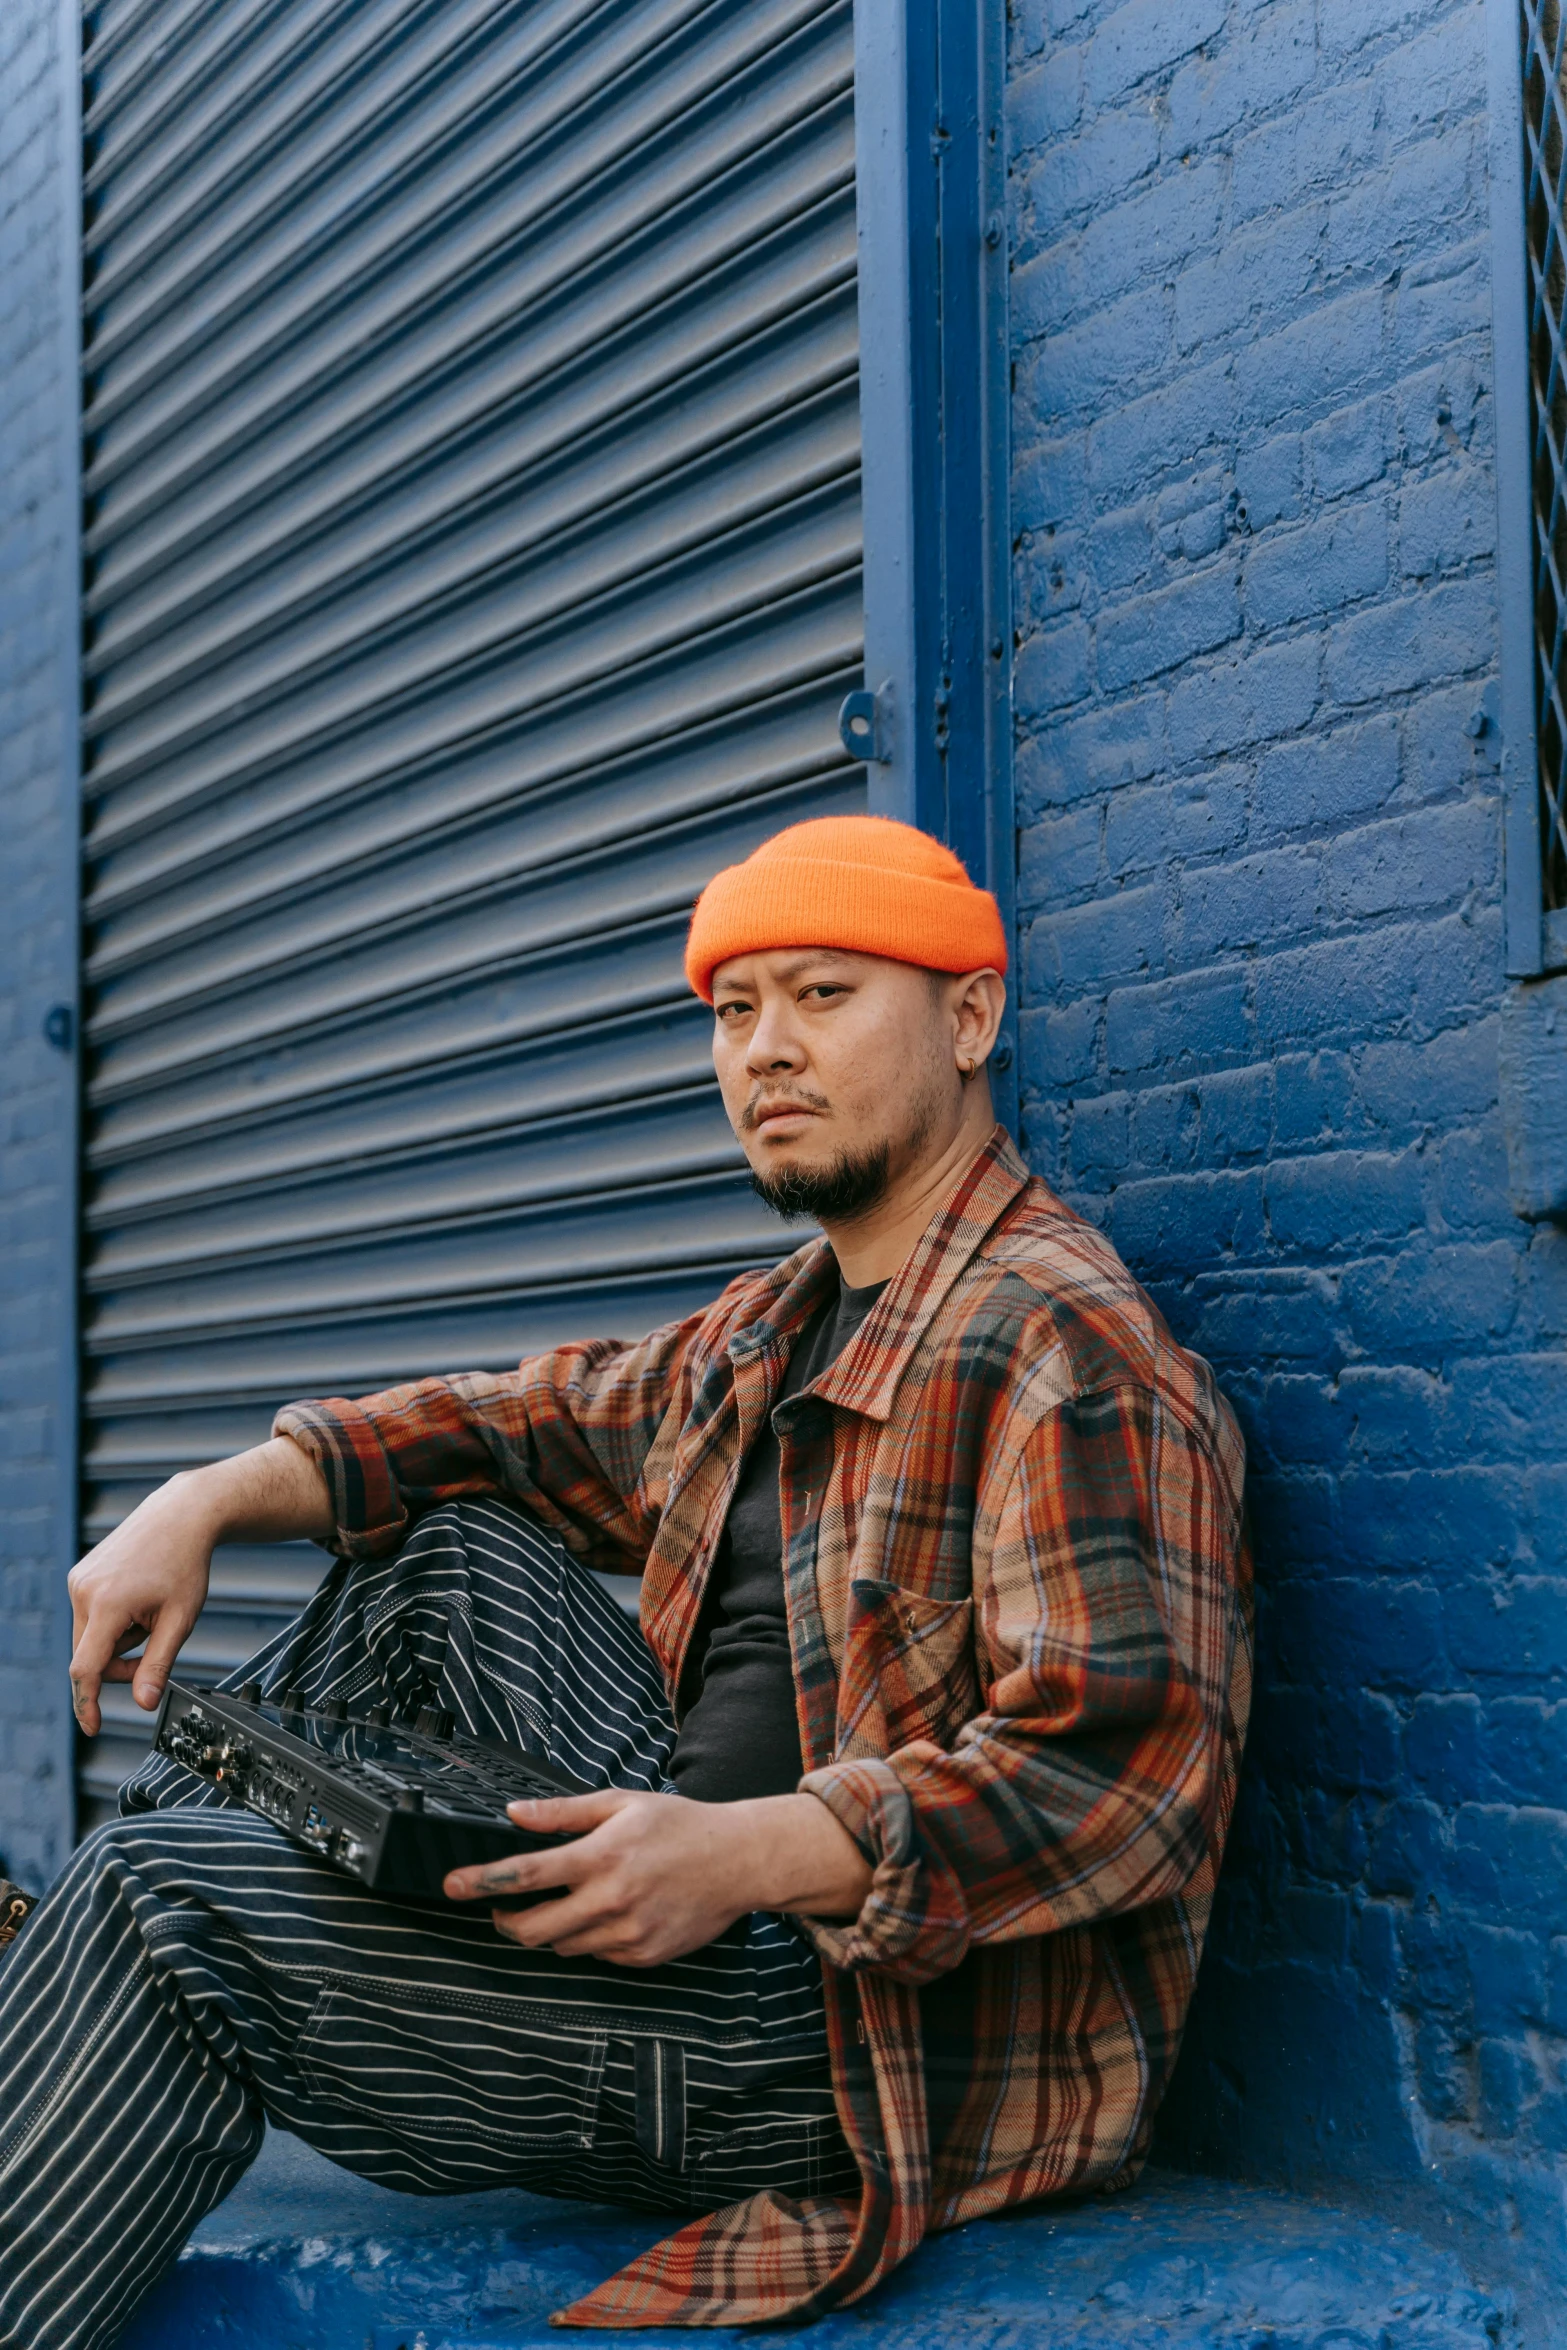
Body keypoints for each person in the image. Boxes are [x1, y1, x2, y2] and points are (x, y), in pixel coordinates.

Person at [0, 816, 1251, 2348]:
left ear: (969, 1017)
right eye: (734, 1010)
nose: (765, 1052)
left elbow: (1120, 1776)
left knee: (157, 1901)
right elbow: (506, 1425)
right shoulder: (775, 1323)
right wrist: (207, 1496)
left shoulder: (1062, 1351)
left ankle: (84, 1971)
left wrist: (740, 1854)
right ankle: (55, 2004)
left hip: (844, 2041)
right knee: (444, 1547)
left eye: (823, 995)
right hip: (673, 1870)